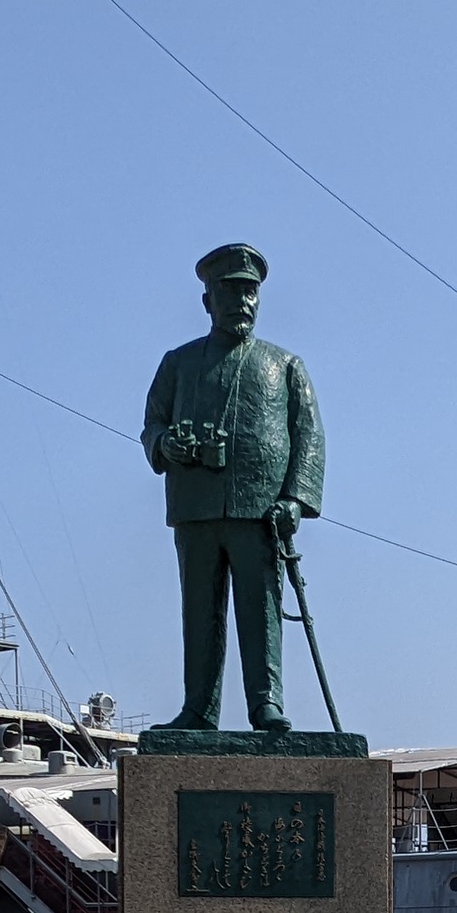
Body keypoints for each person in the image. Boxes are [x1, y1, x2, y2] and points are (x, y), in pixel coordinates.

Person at [138, 242, 324, 734]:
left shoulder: (285, 365)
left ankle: (266, 703)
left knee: (261, 609)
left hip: (260, 511)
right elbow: (151, 425)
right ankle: (199, 708)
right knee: (200, 612)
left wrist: (295, 499)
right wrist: (166, 445)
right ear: (208, 301)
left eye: (250, 292)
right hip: (195, 507)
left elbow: (309, 437)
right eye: (231, 291)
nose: (243, 301)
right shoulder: (178, 364)